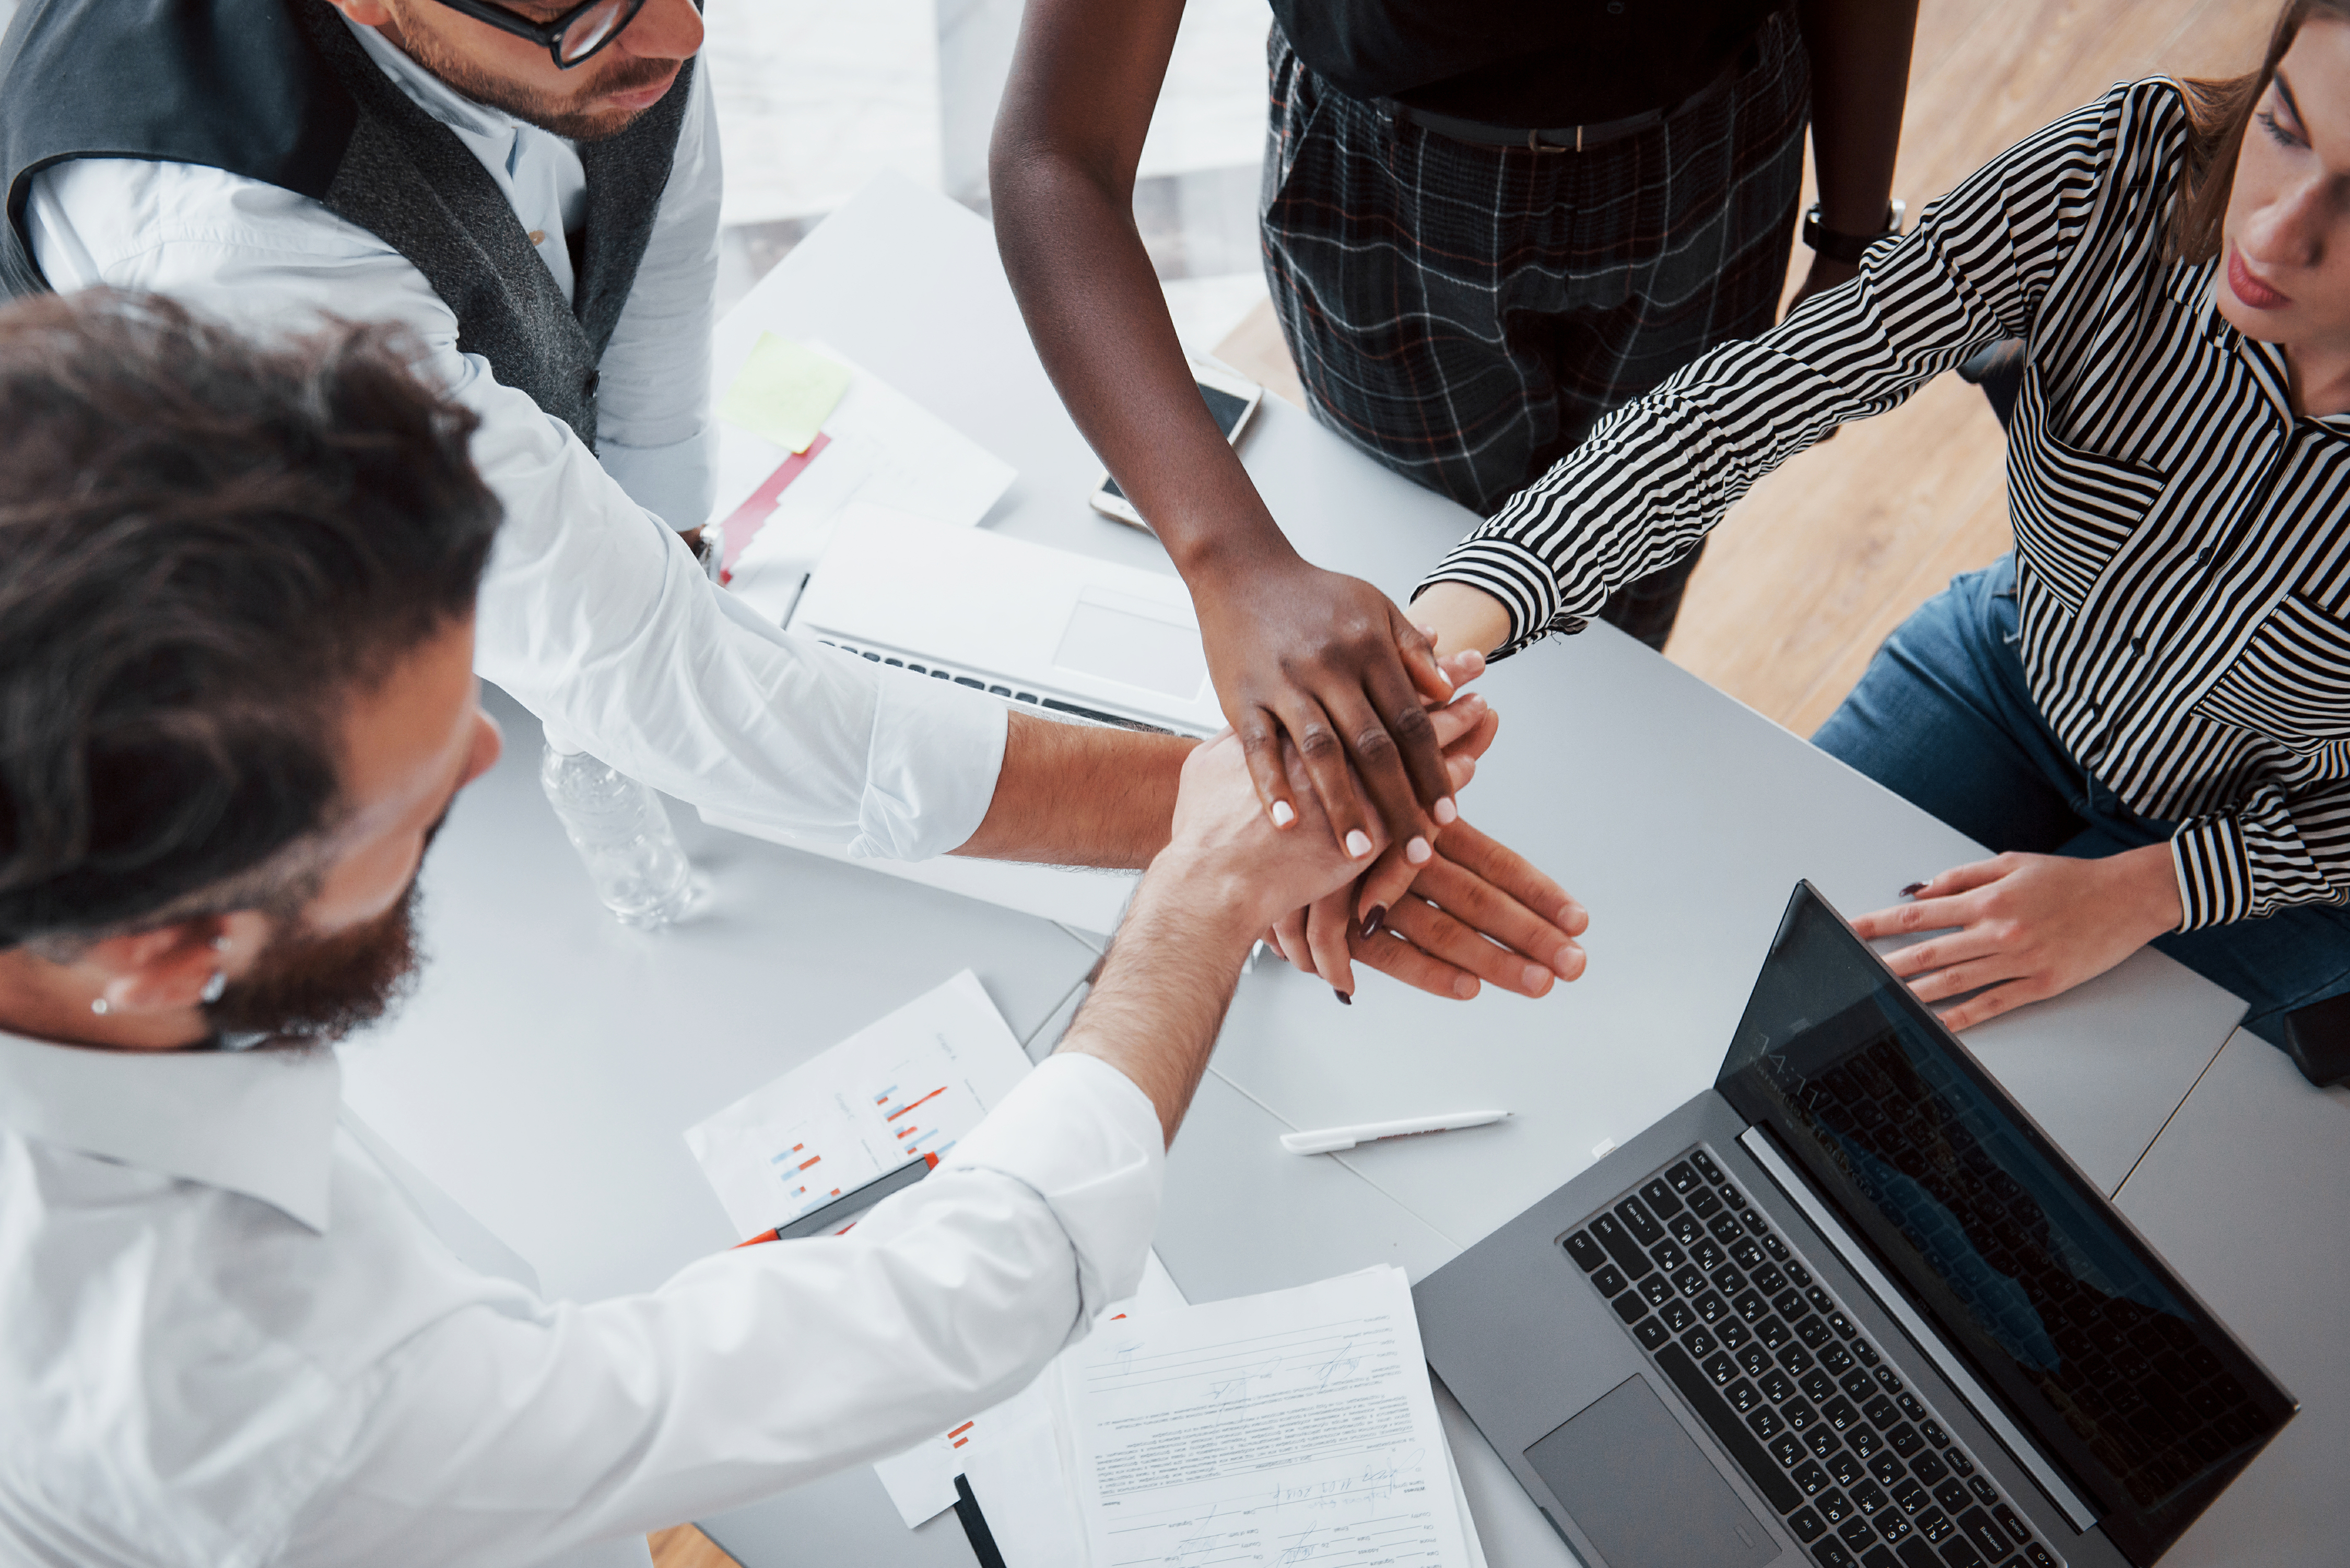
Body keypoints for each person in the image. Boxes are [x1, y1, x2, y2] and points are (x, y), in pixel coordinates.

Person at [0, 290, 1505, 1568]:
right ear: (153, 945)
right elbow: (952, 1300)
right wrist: (1196, 894)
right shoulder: (240, 1386)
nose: (479, 763)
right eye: (406, 794)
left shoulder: (86, 917)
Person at [0, 0, 1587, 1006]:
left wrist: (666, 541)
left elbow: (657, 265)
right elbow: (669, 696)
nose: (683, 34)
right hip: (201, 700)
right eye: (589, 10)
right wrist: (1211, 820)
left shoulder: (606, 26)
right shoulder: (224, 255)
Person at [1412, 0, 2350, 1052]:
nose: (2272, 230)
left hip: (2285, 842)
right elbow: (1756, 401)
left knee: (1983, 1132)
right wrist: (1445, 633)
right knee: (1735, 988)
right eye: (2284, 126)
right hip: (2014, 675)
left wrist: (2151, 889)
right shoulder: (2124, 172)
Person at [989, 0, 1915, 875]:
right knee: (1398, 596)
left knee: (1628, 604)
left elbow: (1648, 498)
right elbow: (1055, 147)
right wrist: (1231, 562)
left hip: (1720, 141)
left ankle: (1555, 804)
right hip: (1394, 186)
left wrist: (1853, 225)